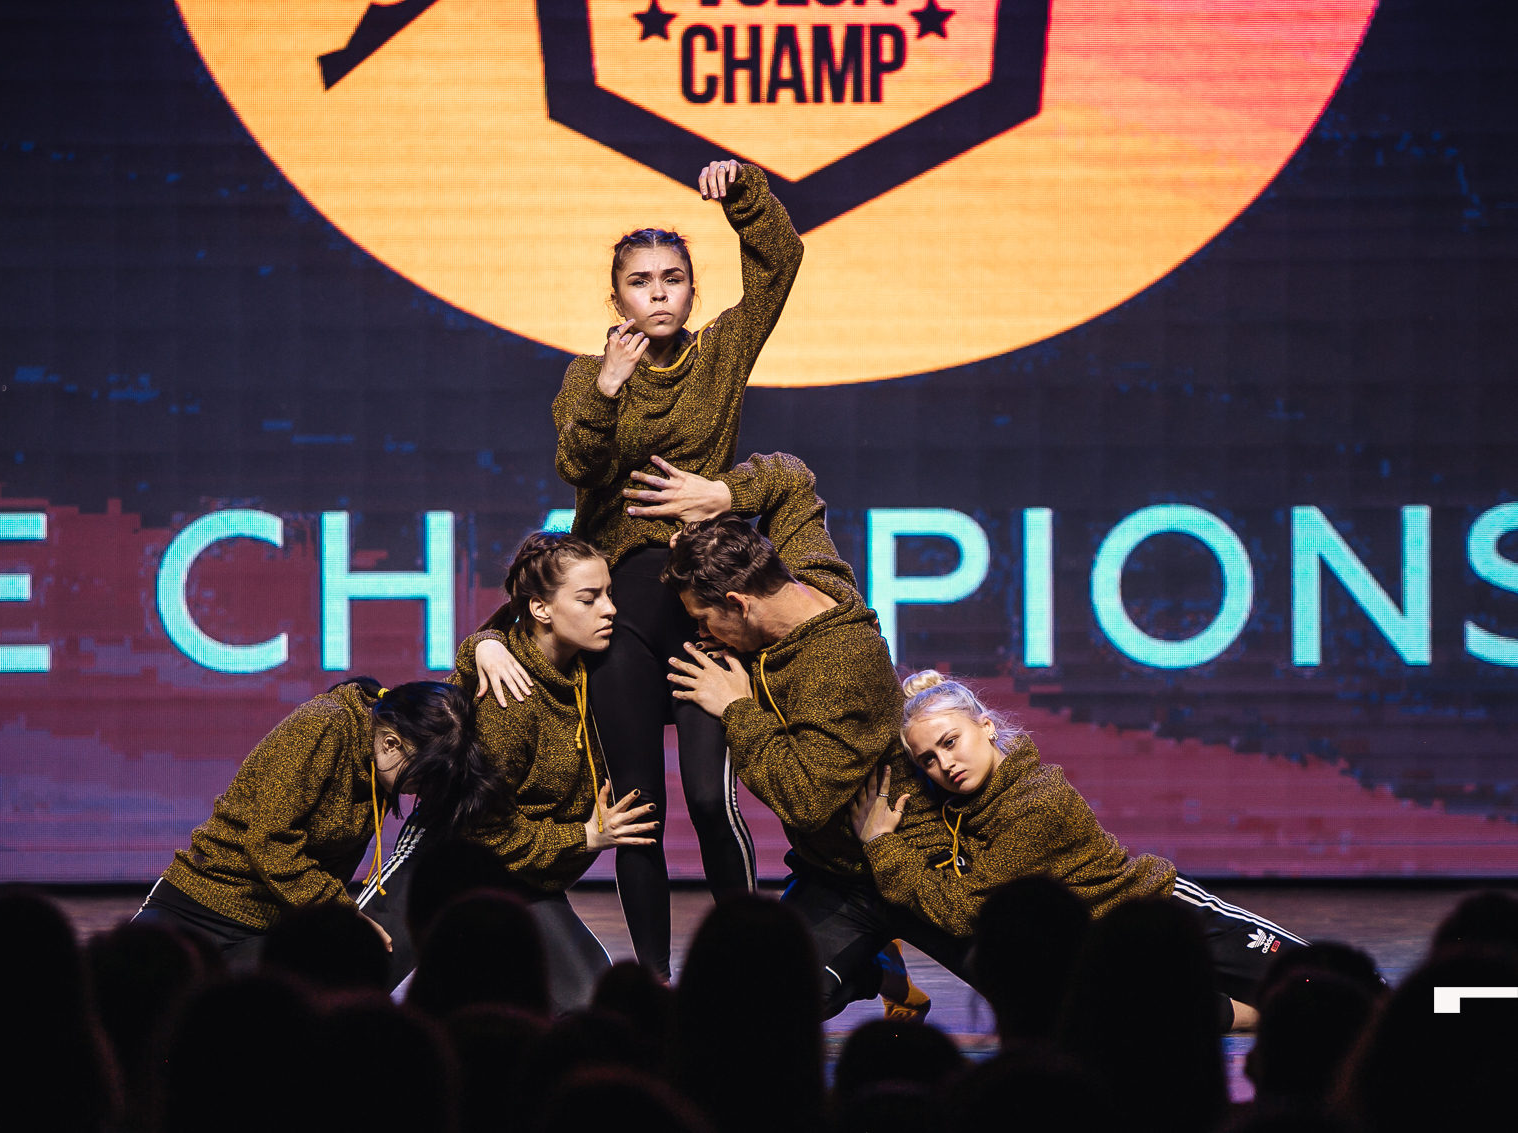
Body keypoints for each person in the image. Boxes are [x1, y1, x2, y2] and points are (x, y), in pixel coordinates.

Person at [476, 160, 804, 980]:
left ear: (691, 289)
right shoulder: (588, 377)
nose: (658, 294)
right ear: (616, 295)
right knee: (637, 809)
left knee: (710, 797)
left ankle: (749, 968)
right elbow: (577, 467)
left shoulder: (720, 353)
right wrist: (607, 389)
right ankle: (653, 980)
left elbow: (781, 263)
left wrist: (744, 195)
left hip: (700, 611)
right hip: (619, 617)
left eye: (672, 279)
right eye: (640, 281)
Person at [659, 453, 967, 1019]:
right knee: (759, 1002)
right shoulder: (809, 578)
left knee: (1039, 994)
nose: (702, 634)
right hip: (839, 878)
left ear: (738, 604)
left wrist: (737, 709)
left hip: (920, 861)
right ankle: (877, 968)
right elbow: (792, 481)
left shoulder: (839, 665)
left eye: (704, 620)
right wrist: (723, 495)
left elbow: (806, 798)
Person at [852, 670, 1311, 1030]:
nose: (945, 764)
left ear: (986, 727)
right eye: (928, 759)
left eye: (950, 742)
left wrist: (881, 844)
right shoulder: (960, 810)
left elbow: (961, 912)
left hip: (1162, 916)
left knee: (1320, 985)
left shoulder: (1037, 801)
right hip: (1112, 955)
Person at [369, 532, 661, 1013]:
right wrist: (585, 838)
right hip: (449, 858)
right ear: (541, 609)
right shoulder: (509, 698)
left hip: (523, 875)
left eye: (609, 594)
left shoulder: (590, 670)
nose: (610, 609)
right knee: (346, 975)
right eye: (589, 598)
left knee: (589, 1002)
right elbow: (485, 832)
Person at [133, 677, 505, 970]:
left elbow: (450, 703)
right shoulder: (324, 725)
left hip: (272, 929)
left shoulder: (392, 752)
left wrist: (486, 644)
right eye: (421, 779)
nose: (420, 791)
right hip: (200, 907)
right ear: (391, 743)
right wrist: (342, 912)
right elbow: (269, 842)